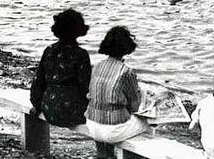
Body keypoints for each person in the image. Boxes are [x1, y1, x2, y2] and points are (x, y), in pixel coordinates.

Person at [86, 26, 148, 158]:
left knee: (111, 111)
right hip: (111, 131)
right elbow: (134, 106)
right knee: (147, 124)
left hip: (91, 124)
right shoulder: (126, 71)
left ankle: (104, 154)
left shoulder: (97, 66)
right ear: (127, 47)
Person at [29, 9, 91, 128]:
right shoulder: (81, 54)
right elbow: (85, 87)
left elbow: (38, 82)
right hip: (72, 112)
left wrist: (37, 106)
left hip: (49, 108)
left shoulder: (49, 51)